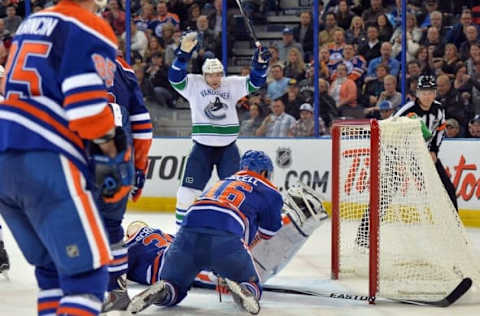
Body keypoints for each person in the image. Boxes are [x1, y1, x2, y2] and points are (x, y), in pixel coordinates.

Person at [0, 0, 132, 315]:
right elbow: (85, 109)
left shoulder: (31, 23)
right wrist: (112, 154)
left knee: (52, 275)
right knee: (87, 277)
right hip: (46, 158)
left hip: (5, 157)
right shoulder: (88, 25)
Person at [126, 150, 283, 314]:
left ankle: (164, 289)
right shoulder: (270, 190)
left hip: (187, 231)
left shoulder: (222, 182)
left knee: (175, 287)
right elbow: (268, 233)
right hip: (226, 235)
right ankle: (246, 289)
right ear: (265, 172)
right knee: (252, 283)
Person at [124, 182, 327, 289]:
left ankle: (293, 222)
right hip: (197, 247)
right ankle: (289, 219)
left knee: (215, 274)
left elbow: (116, 273)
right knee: (237, 250)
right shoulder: (156, 233)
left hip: (173, 268)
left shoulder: (128, 248)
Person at [168, 32, 271, 227]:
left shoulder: (230, 84)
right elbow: (175, 78)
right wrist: (182, 55)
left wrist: (260, 66)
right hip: (202, 149)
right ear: (204, 75)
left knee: (237, 193)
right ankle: (181, 236)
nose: (215, 79)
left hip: (228, 149)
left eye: (218, 75)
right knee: (186, 193)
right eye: (211, 75)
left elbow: (255, 82)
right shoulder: (194, 84)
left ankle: (240, 233)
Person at [100, 56, 153, 312]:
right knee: (110, 226)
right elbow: (143, 124)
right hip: (120, 153)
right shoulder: (124, 67)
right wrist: (140, 166)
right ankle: (117, 290)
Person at [394, 75, 458, 211]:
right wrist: (398, 157)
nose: (427, 96)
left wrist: (434, 150)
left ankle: (456, 228)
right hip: (405, 156)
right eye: (423, 93)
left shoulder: (439, 109)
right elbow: (391, 126)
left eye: (430, 93)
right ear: (417, 93)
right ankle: (366, 227)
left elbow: (441, 130)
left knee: (448, 189)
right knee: (387, 192)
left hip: (427, 155)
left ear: (435, 93)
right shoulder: (408, 109)